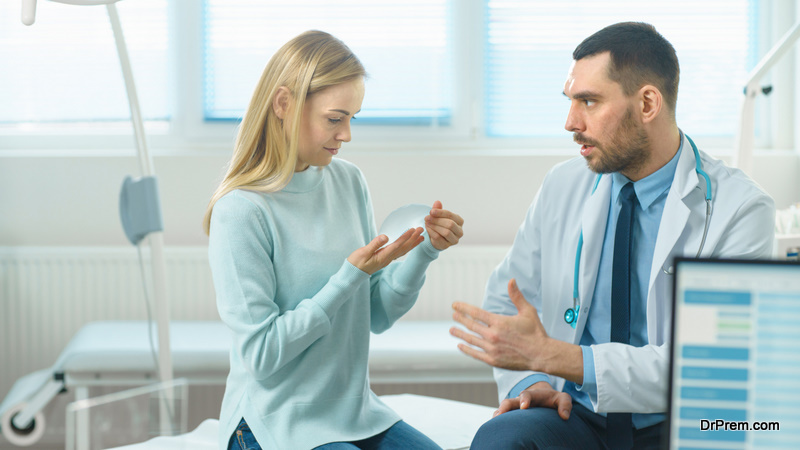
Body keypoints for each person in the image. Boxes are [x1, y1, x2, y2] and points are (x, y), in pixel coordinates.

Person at [449, 22, 775, 449]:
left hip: (684, 420)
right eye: (570, 101)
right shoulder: (563, 184)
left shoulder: (741, 209)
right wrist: (530, 381)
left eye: (588, 101)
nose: (570, 122)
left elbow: (709, 366)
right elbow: (507, 299)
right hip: (576, 412)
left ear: (647, 103)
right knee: (501, 440)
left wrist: (556, 357)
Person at [203, 30, 464, 450]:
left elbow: (376, 313)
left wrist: (424, 252)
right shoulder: (241, 211)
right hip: (272, 422)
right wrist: (347, 278)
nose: (345, 135)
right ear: (284, 104)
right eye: (334, 118)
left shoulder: (348, 181)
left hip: (355, 413)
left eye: (351, 119)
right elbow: (262, 355)